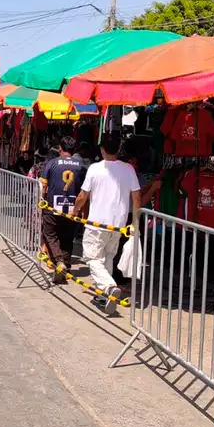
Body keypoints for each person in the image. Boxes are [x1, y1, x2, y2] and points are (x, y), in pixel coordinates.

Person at [73, 134, 141, 314]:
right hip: (118, 224)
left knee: (92, 258)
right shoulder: (128, 169)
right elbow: (136, 196)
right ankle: (105, 295)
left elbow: (82, 196)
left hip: (97, 223)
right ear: (118, 149)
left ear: (102, 150)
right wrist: (134, 222)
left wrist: (74, 212)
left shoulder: (95, 168)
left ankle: (109, 286)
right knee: (107, 257)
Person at [39, 136, 88, 284]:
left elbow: (43, 186)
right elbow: (85, 190)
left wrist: (41, 201)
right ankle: (65, 265)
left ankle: (59, 261)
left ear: (60, 149)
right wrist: (83, 209)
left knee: (49, 233)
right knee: (67, 237)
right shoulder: (81, 166)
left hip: (52, 207)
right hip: (72, 209)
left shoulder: (51, 163)